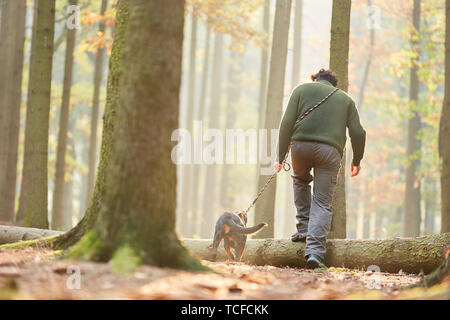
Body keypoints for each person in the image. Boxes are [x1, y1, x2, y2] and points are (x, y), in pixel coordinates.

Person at [274, 68, 366, 269]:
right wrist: (357, 160)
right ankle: (315, 252)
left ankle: (304, 230)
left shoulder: (301, 90)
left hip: (300, 147)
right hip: (329, 152)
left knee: (300, 180)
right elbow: (358, 132)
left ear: (315, 79)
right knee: (322, 202)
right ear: (335, 85)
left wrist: (280, 157)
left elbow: (286, 123)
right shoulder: (345, 99)